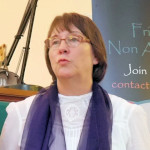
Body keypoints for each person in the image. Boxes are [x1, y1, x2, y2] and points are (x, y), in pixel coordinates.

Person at [0, 12, 150, 150]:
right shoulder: (20, 113)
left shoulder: (127, 115)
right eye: (55, 42)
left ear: (96, 55)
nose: (62, 48)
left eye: (73, 39)